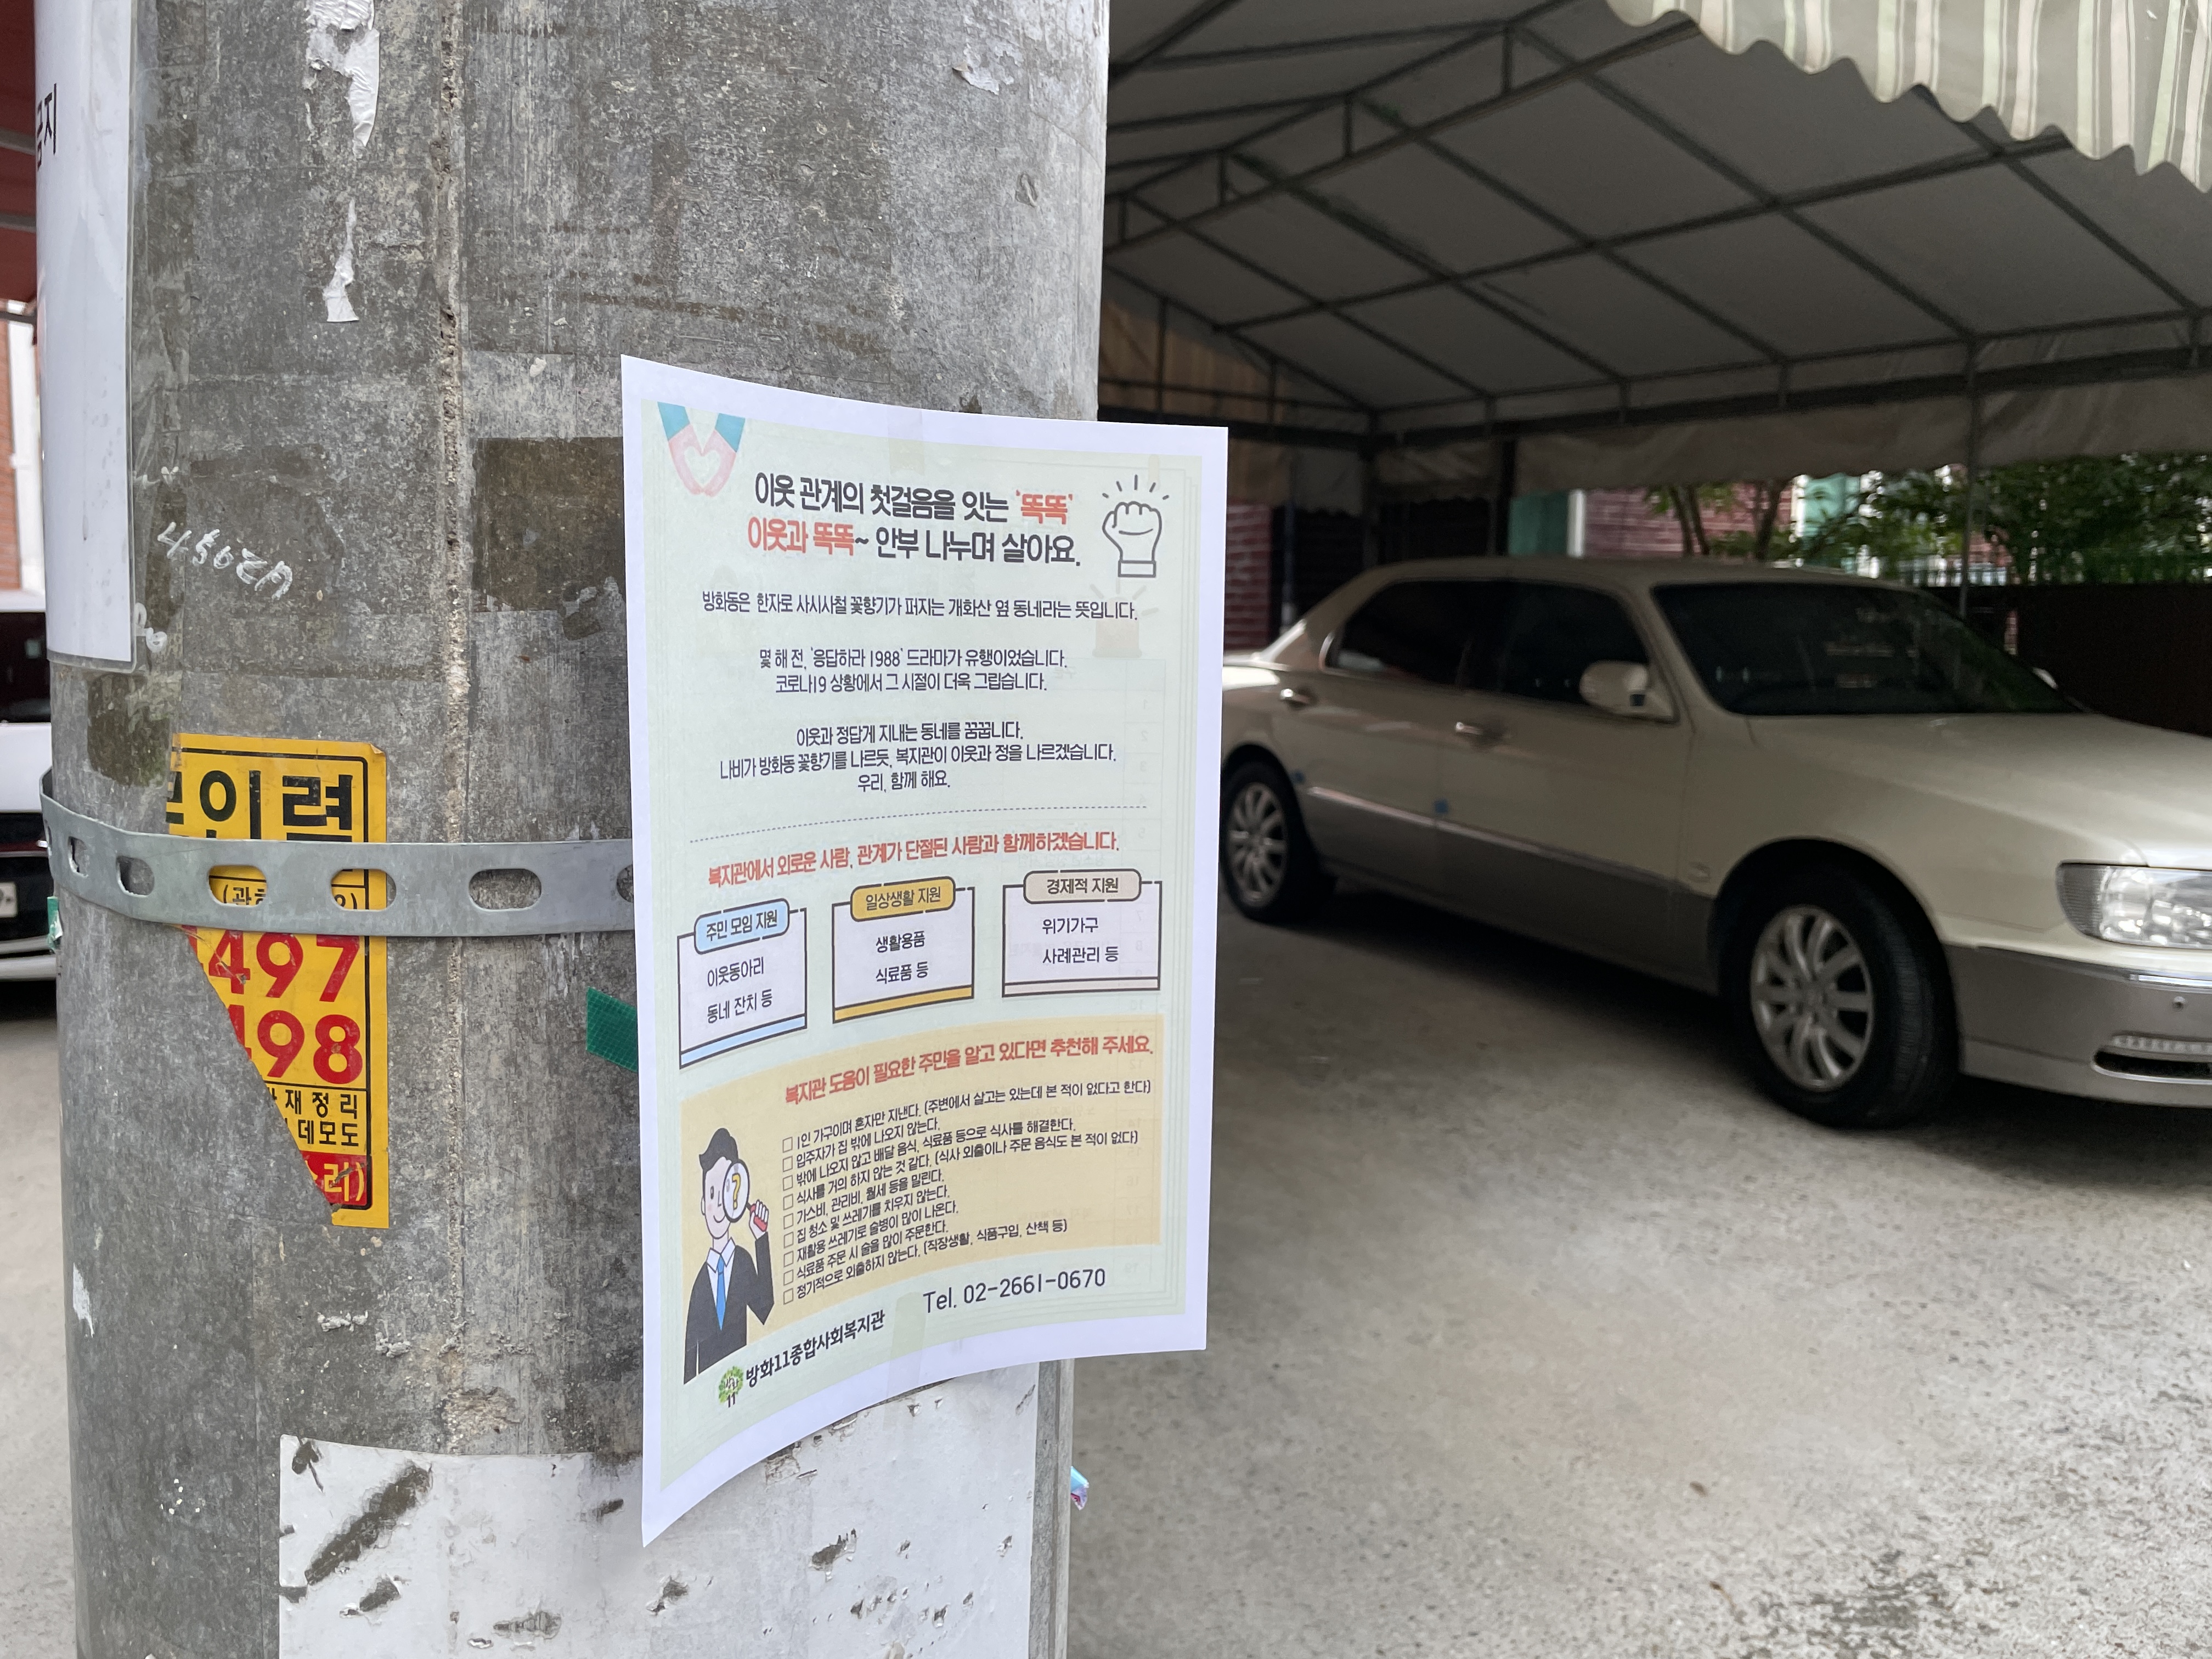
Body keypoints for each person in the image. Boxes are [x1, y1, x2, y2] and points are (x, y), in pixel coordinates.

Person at [683, 1126, 773, 1382]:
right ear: (703, 1204)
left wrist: (761, 1240)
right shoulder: (700, 1283)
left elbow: (764, 1308)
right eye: (712, 1194)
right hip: (709, 1389)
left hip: (742, 1380)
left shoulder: (743, 1262)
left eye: (726, 1191)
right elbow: (690, 1356)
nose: (720, 1204)